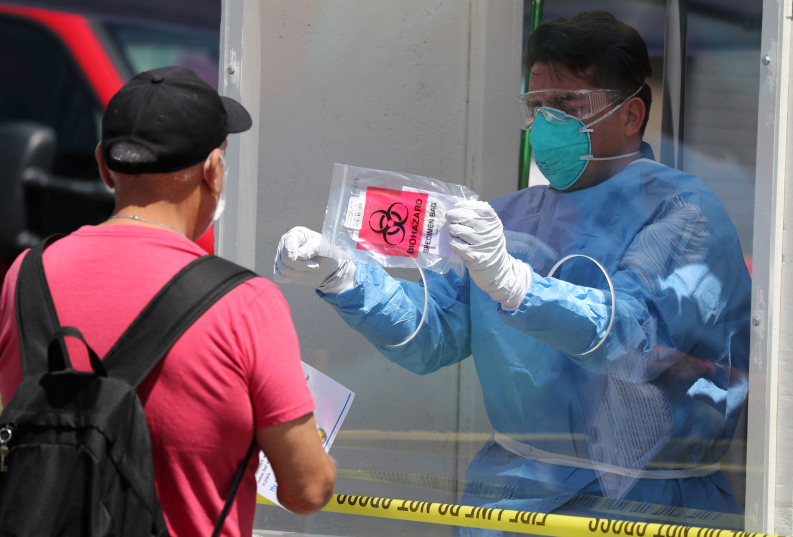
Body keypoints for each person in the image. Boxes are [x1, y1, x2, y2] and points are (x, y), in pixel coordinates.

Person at [274, 10, 751, 534]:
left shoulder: (682, 212)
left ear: (631, 114)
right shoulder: (507, 218)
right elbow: (432, 336)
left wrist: (516, 285)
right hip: (510, 502)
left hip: (641, 507)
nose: (547, 122)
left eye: (568, 105)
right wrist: (346, 278)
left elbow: (636, 337)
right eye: (537, 105)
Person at [0, 66, 335, 537]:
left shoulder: (26, 275)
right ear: (214, 171)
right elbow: (308, 489)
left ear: (102, 165)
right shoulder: (246, 303)